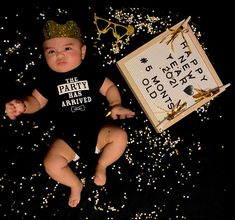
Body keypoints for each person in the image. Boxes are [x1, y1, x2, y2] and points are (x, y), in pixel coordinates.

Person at [4, 20, 135, 208]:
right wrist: (23, 106)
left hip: (97, 129)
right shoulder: (48, 80)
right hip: (67, 137)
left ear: (82, 52)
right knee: (51, 163)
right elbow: (37, 102)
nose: (59, 54)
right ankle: (75, 184)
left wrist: (115, 104)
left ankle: (102, 165)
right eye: (51, 51)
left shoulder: (90, 72)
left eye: (67, 48)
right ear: (44, 55)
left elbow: (110, 87)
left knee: (120, 137)